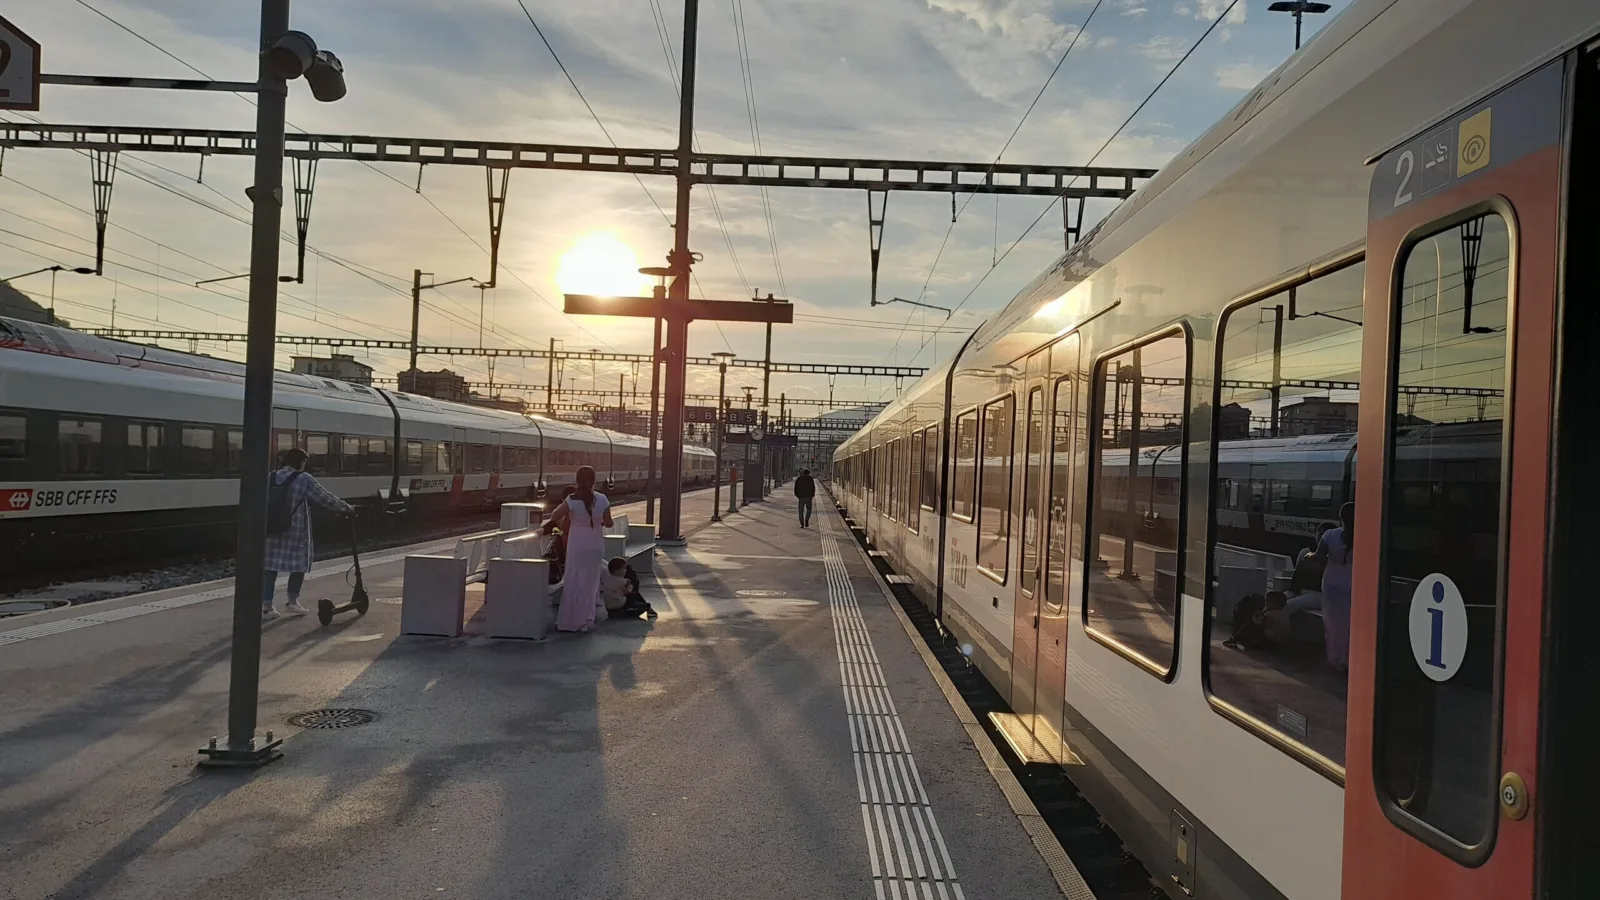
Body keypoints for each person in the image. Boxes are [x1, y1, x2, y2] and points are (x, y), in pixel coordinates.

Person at [263, 447, 354, 619]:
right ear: (302, 462)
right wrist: (346, 508)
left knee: (270, 567)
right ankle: (292, 602)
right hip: (295, 530)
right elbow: (325, 498)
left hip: (271, 529)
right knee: (298, 565)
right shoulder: (303, 479)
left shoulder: (271, 476)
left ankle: (267, 606)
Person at [543, 466, 611, 633]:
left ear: (577, 481)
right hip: (595, 545)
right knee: (590, 583)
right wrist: (597, 521)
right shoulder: (602, 498)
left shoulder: (572, 499)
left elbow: (555, 516)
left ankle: (571, 621)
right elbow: (609, 523)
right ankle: (587, 620)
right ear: (594, 480)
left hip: (578, 544)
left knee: (574, 581)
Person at [1305, 502, 1354, 672]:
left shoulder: (1330, 534)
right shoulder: (1365, 535)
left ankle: (1335, 658)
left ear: (1340, 518)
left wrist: (1309, 555)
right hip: (1352, 579)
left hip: (1332, 579)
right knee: (1349, 619)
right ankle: (1349, 659)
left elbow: (1318, 556)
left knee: (1332, 620)